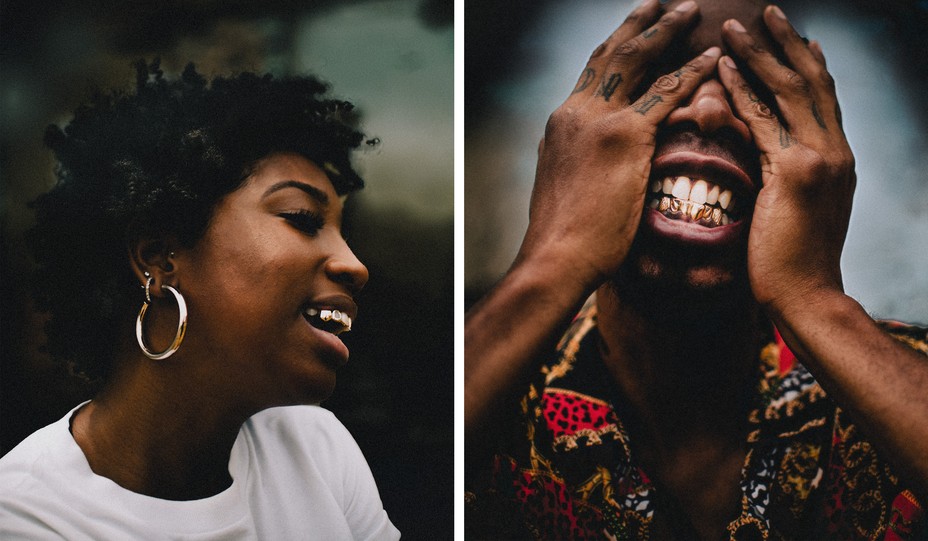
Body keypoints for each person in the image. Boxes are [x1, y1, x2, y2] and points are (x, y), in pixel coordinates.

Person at [464, 0, 928, 539]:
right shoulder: (492, 385)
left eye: (754, 86)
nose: (708, 110)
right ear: (575, 147)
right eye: (665, 72)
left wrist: (814, 301)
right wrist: (552, 261)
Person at [0, 60, 400, 540]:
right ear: (159, 259)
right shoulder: (26, 517)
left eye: (342, 231)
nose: (355, 265)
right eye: (302, 217)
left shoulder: (317, 449)